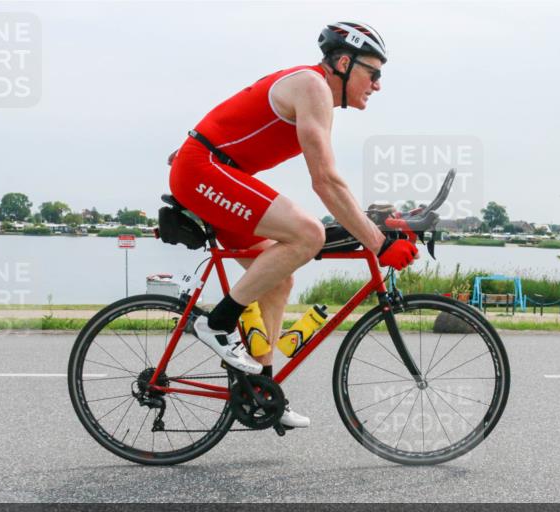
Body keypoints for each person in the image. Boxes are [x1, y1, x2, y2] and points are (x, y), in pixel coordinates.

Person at [167, 22, 419, 429]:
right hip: (204, 171)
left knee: (279, 278)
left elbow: (331, 182)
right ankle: (216, 324)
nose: (377, 85)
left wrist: (375, 225)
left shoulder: (317, 94)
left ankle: (261, 391)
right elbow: (325, 182)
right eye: (373, 73)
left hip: (216, 173)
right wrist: (376, 243)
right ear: (343, 62)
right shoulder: (313, 86)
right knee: (308, 233)